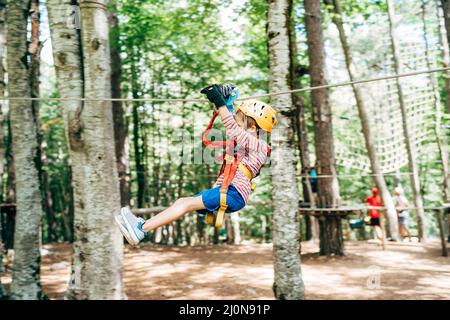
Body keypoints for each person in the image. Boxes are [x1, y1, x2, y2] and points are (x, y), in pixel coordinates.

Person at [114, 84, 277, 246]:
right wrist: (226, 101)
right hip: (228, 192)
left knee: (185, 204)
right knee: (181, 202)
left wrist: (218, 100)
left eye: (241, 122)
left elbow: (233, 128)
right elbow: (232, 122)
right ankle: (141, 227)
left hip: (233, 194)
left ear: (253, 127)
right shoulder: (249, 142)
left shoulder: (259, 145)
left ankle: (141, 229)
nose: (236, 123)